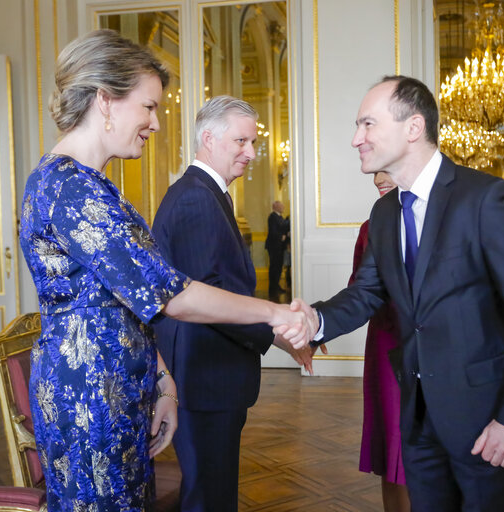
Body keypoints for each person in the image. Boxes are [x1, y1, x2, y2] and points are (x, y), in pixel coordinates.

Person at [19, 30, 312, 511]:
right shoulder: (69, 189)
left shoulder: (93, 185)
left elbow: (124, 299)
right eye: (149, 107)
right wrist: (276, 314)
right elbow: (169, 293)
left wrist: (162, 381)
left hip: (118, 388)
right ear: (106, 101)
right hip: (91, 397)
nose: (156, 123)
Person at [299, 75, 504, 511]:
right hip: (418, 420)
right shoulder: (384, 213)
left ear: (413, 127)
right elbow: (365, 293)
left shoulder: (488, 199)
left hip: (489, 422)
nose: (355, 139)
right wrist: (314, 321)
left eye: (367, 124)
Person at [151, 96, 309, 512]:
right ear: (208, 138)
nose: (251, 153)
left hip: (212, 370)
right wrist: (279, 333)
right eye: (241, 141)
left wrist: (279, 333)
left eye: (252, 142)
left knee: (215, 489)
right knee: (209, 495)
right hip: (205, 374)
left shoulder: (207, 193)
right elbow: (207, 297)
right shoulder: (194, 198)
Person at [350, 170, 409, 512]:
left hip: (440, 351)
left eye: (386, 168)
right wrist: (318, 325)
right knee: (393, 438)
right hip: (388, 344)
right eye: (375, 172)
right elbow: (358, 292)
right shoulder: (371, 227)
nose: (378, 179)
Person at [265, 200, 290, 300]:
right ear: (275, 207)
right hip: (274, 247)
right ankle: (273, 289)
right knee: (274, 268)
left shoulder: (279, 217)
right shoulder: (272, 217)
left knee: (279, 268)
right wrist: (282, 237)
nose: (283, 207)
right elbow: (273, 232)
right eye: (281, 206)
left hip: (280, 247)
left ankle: (276, 286)